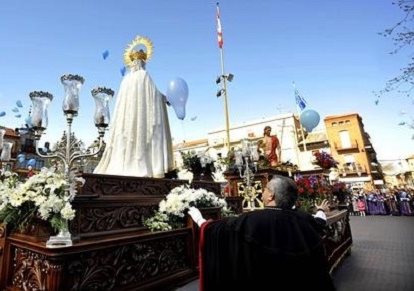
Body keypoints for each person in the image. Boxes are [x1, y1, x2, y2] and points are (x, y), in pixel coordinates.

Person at [188, 175, 335, 291]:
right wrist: (321, 210)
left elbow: (218, 231)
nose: (263, 192)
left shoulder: (251, 221)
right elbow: (319, 222)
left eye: (265, 189)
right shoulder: (304, 218)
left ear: (271, 196)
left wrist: (200, 220)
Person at [93, 36, 174, 178]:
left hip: (126, 123)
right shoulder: (144, 75)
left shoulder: (126, 79)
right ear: (143, 62)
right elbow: (153, 94)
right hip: (141, 119)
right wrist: (164, 99)